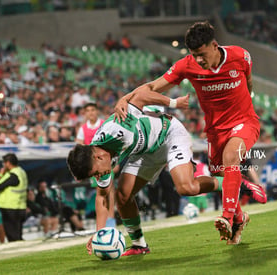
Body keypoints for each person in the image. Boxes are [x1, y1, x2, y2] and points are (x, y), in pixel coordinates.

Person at [113, 21, 266, 245]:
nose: (199, 60)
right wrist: (124, 98)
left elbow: (249, 81)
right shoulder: (186, 65)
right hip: (215, 130)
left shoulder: (240, 56)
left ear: (214, 45)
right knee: (218, 174)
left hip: (245, 122)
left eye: (202, 54)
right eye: (194, 55)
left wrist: (245, 105)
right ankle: (240, 218)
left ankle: (227, 216)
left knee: (231, 157)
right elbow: (153, 87)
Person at [67, 91, 221, 256]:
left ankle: (229, 183)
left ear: (98, 157)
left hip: (168, 134)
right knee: (123, 196)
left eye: (96, 173)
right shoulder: (98, 159)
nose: (98, 176)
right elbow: (103, 197)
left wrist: (173, 103)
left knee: (186, 188)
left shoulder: (118, 129)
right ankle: (139, 245)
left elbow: (141, 96)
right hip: (145, 151)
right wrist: (100, 234)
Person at [0, 153, 28, 242]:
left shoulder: (12, 175)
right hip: (20, 206)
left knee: (12, 235)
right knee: (18, 233)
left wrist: (0, 174)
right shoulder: (21, 171)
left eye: (4, 163)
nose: (3, 165)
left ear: (8, 163)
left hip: (10, 207)